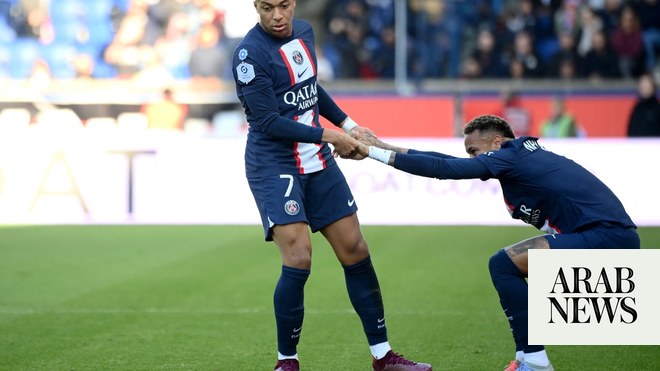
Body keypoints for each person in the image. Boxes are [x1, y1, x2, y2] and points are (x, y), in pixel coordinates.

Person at [346, 114, 640, 371]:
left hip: (608, 238)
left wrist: (370, 152)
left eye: (475, 151)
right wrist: (381, 145)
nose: (473, 160)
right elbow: (448, 161)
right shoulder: (519, 156)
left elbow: (444, 169)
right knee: (505, 265)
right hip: (608, 235)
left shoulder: (511, 157)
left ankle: (535, 362)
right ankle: (528, 358)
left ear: (497, 142)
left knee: (503, 264)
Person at [230, 1, 432, 371]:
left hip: (317, 161)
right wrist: (329, 135)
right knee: (299, 257)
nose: (277, 15)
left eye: (284, 5)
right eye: (267, 7)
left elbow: (310, 89)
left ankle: (383, 356)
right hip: (274, 164)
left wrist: (348, 124)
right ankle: (286, 362)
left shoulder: (304, 32)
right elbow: (268, 121)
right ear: (256, 7)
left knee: (355, 248)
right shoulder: (249, 55)